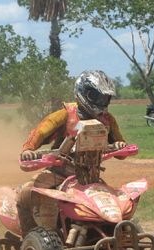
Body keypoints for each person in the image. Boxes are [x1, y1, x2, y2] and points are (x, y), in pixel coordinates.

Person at [16, 70, 127, 237]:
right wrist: (28, 150)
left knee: (115, 203)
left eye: (105, 98)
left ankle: (115, 232)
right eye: (97, 96)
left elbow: (122, 152)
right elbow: (40, 132)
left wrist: (119, 145)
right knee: (25, 193)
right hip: (59, 172)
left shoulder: (107, 119)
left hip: (90, 176)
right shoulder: (66, 114)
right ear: (84, 93)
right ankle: (29, 239)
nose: (101, 102)